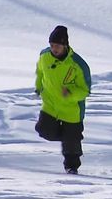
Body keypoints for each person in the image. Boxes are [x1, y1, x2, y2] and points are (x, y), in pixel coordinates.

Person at [34, 25, 92, 174]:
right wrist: (38, 87)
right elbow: (40, 72)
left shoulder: (78, 64)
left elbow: (85, 91)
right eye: (52, 45)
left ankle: (71, 167)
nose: (54, 49)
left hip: (72, 109)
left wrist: (70, 94)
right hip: (50, 105)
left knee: (71, 143)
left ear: (65, 45)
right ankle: (70, 139)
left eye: (57, 46)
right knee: (43, 130)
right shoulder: (44, 56)